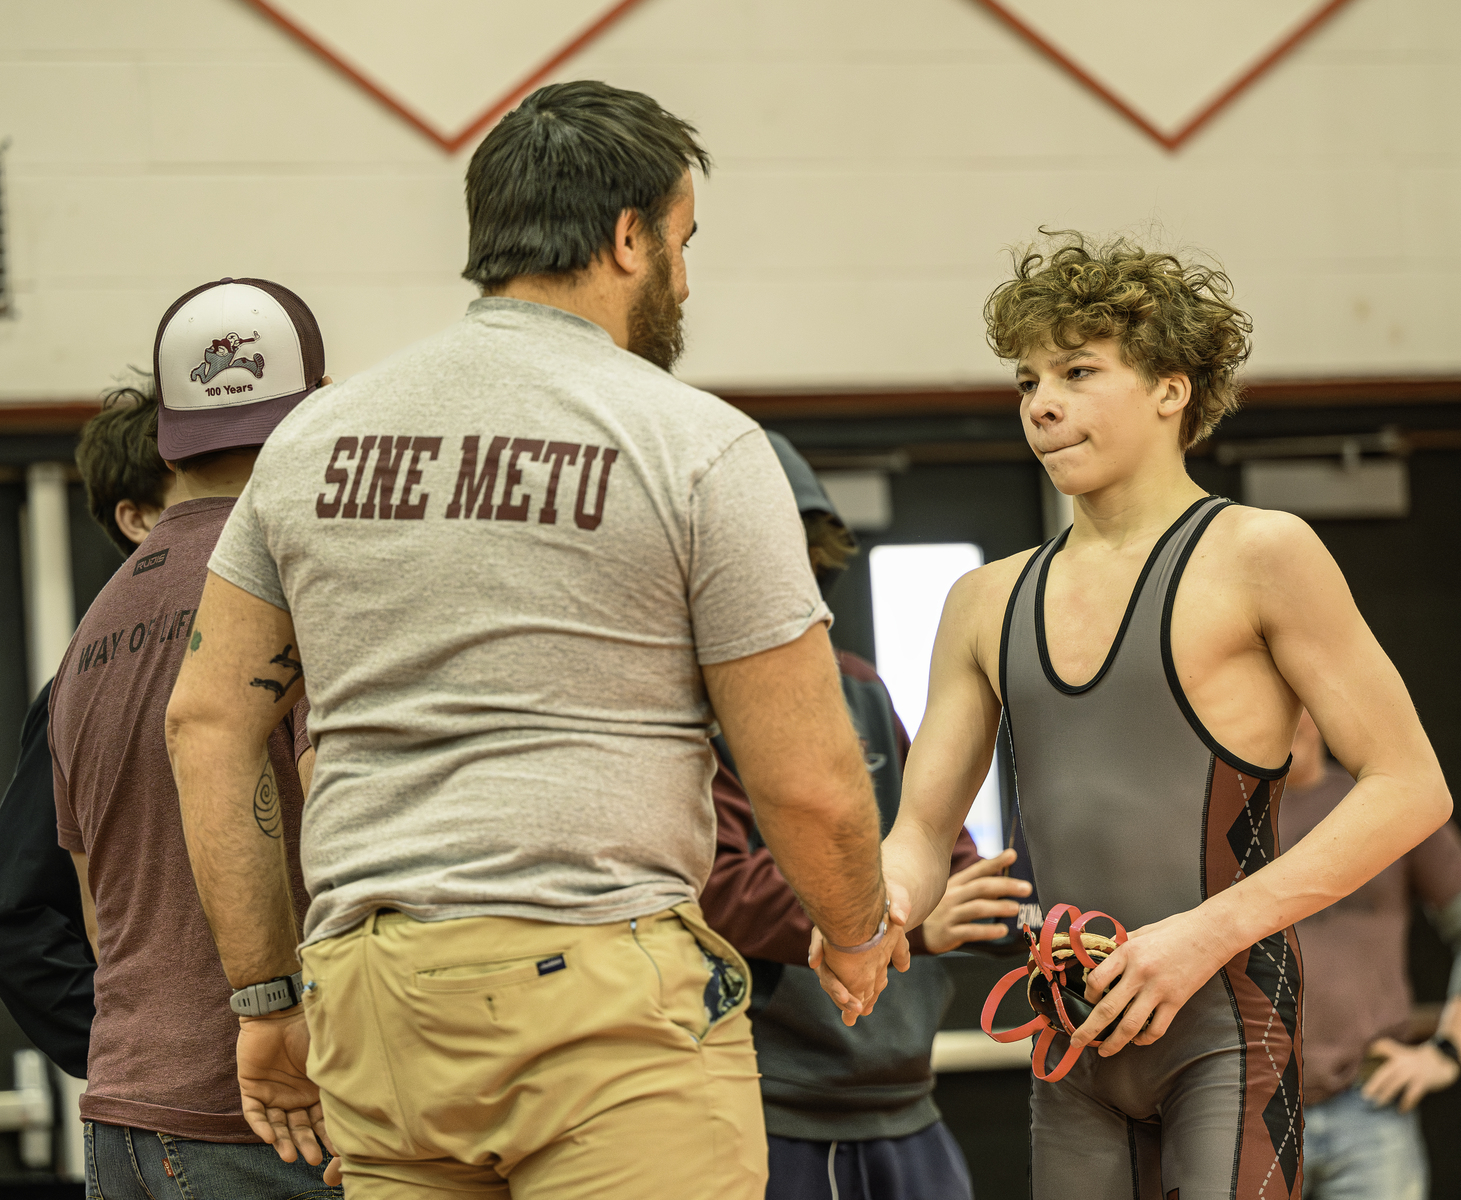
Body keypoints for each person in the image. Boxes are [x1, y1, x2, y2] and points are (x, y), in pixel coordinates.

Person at [165, 80, 902, 1200]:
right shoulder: (695, 444)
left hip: (374, 996)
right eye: (683, 240)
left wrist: (264, 997)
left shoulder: (311, 441)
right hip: (599, 994)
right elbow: (806, 780)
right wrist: (854, 934)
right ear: (627, 237)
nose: (687, 277)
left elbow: (208, 722)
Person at [833, 233, 1453, 1200]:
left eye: (1079, 371)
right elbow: (917, 831)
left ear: (1172, 389)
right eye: (1029, 377)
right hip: (1073, 1037)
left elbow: (1413, 787)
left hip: (1225, 1030)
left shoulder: (1260, 554)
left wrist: (1205, 933)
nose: (1042, 402)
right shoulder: (984, 601)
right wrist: (880, 914)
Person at [48, 279, 335, 1199]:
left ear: (172, 434)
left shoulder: (96, 624)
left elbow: (97, 906)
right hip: (272, 1118)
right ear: (312, 408)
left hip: (126, 1112)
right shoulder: (296, 580)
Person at [701, 432, 1032, 1200]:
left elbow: (940, 843)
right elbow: (719, 890)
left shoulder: (858, 688)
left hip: (906, 1102)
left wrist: (1006, 914)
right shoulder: (696, 711)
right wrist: (909, 923)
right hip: (774, 1107)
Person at [0, 378, 177, 1077]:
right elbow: (18, 912)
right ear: (138, 518)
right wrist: (131, 1052)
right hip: (201, 1109)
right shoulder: (83, 682)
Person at [1282, 709, 1461, 1199]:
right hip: (1250, 1109)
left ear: (1321, 706)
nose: (1284, 713)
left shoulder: (1385, 807)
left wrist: (1448, 1051)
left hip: (1369, 1106)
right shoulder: (1214, 821)